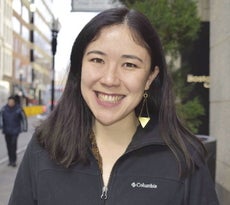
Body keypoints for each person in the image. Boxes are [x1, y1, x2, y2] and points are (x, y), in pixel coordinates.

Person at [8, 7, 219, 205]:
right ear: (79, 66)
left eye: (129, 64)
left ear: (150, 77)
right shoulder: (44, 148)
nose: (110, 79)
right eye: (98, 60)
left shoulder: (185, 158)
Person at [0, 96, 27, 167]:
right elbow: (0, 118)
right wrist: (1, 125)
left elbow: (23, 118)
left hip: (15, 130)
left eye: (12, 102)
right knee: (8, 146)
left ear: (14, 102)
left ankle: (14, 161)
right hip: (6, 130)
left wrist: (24, 128)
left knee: (13, 145)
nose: (10, 103)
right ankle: (10, 160)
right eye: (9, 102)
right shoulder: (3, 109)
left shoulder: (18, 109)